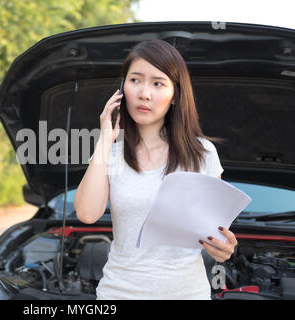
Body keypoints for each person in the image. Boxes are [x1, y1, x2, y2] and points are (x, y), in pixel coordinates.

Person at [73, 39, 238, 300]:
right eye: (135, 80)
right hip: (118, 293)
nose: (145, 94)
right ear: (122, 88)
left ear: (175, 96)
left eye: (158, 83)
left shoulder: (203, 154)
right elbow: (86, 213)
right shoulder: (111, 154)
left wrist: (223, 248)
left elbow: (213, 233)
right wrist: (105, 139)